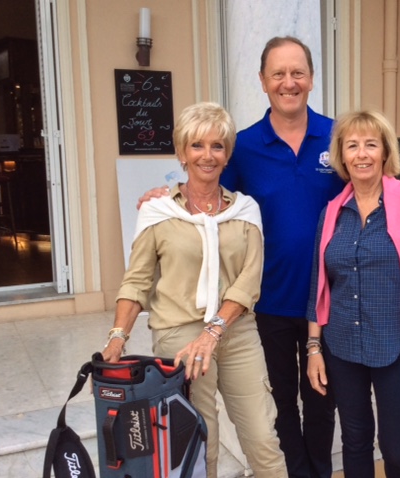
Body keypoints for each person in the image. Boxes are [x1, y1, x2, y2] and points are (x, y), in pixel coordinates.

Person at [138, 37, 343, 478]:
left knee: (322, 400)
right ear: (263, 81)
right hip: (265, 302)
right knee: (279, 404)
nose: (289, 82)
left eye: (297, 73)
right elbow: (205, 185)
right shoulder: (244, 146)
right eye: (278, 74)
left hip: (327, 300)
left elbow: (369, 186)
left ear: (311, 78)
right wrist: (165, 191)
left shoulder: (338, 137)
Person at [103, 102, 288, 478]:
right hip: (179, 336)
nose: (208, 155)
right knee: (199, 442)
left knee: (262, 437)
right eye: (197, 145)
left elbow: (249, 280)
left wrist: (215, 329)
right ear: (182, 152)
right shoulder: (157, 211)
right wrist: (118, 336)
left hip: (236, 331)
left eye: (217, 146)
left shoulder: (245, 210)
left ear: (228, 154)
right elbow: (137, 281)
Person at [305, 110, 400, 478]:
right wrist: (314, 348)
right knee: (354, 441)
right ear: (342, 156)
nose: (362, 154)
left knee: (397, 446)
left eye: (371, 144)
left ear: (385, 152)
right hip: (341, 345)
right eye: (352, 146)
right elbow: (319, 285)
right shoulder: (332, 213)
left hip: (395, 343)